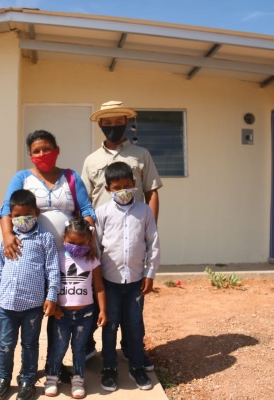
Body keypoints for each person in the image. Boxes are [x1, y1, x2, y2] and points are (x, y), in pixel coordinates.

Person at [0, 129, 97, 383]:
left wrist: (91, 240)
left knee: (59, 309)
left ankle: (55, 364)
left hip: (67, 257)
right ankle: (34, 366)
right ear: (30, 155)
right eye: (36, 151)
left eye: (46, 149)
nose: (42, 154)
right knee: (37, 310)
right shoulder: (22, 178)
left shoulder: (71, 177)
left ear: (57, 150)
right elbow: (6, 210)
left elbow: (87, 210)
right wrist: (8, 236)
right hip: (34, 257)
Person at [81, 100, 162, 370]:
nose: (113, 126)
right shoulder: (91, 160)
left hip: (132, 239)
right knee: (97, 296)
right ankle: (89, 345)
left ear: (126, 123)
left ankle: (132, 348)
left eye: (118, 121)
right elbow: (84, 200)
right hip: (102, 240)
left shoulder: (141, 154)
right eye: (107, 122)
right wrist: (88, 240)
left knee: (132, 305)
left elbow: (151, 193)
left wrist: (147, 230)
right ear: (100, 124)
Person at [0, 189, 61, 400]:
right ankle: (3, 378)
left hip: (32, 306)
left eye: (27, 214)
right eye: (17, 216)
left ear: (36, 212)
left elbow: (52, 269)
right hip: (7, 305)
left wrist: (52, 296)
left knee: (30, 345)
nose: (23, 219)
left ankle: (27, 380)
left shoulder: (45, 238)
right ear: (11, 217)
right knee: (6, 344)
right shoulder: (7, 240)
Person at [94, 162, 160, 392]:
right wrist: (97, 280)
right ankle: (109, 368)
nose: (123, 191)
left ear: (134, 184)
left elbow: (153, 243)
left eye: (126, 186)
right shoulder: (102, 213)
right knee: (110, 325)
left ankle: (136, 366)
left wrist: (150, 273)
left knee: (134, 325)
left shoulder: (144, 211)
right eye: (117, 188)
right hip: (109, 282)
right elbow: (96, 247)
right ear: (108, 189)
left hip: (135, 282)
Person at [44, 218, 107, 399]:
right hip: (60, 314)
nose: (76, 247)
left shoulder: (92, 259)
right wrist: (52, 306)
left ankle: (78, 379)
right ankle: (52, 377)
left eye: (81, 243)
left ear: (89, 242)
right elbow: (48, 282)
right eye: (71, 242)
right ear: (64, 238)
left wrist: (103, 310)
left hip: (85, 314)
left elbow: (99, 287)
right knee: (58, 347)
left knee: (79, 349)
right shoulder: (57, 257)